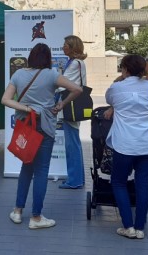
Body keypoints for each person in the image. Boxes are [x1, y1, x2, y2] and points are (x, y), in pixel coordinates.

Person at [1, 43, 82, 229]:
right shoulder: (52, 74)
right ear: (47, 58)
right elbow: (77, 89)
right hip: (45, 127)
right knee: (42, 171)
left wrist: (27, 108)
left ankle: (17, 211)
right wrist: (61, 105)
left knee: (26, 168)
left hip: (25, 127)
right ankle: (36, 218)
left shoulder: (18, 74)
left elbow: (5, 99)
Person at [104, 55, 148, 239]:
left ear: (125, 69)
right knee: (142, 183)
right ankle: (140, 227)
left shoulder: (116, 87)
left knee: (118, 182)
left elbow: (110, 99)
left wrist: (121, 79)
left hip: (124, 144)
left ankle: (128, 226)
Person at [58, 35, 87, 189]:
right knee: (74, 143)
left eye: (66, 44)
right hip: (74, 105)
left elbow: (63, 83)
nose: (63, 47)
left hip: (70, 105)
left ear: (72, 47)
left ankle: (74, 180)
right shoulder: (77, 62)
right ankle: (77, 178)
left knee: (72, 144)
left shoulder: (75, 63)